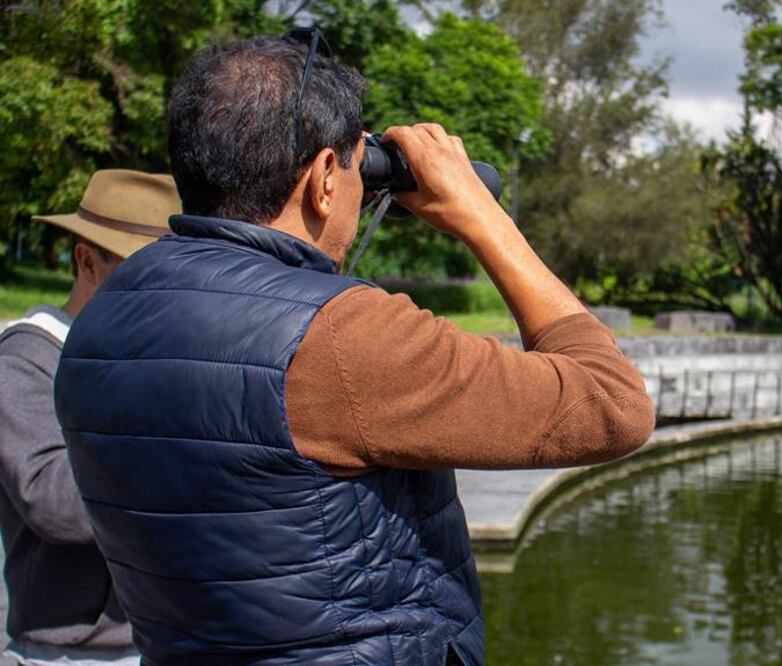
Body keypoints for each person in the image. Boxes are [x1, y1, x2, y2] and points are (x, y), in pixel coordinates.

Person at [53, 34, 655, 666]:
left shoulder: (107, 315)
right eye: (352, 168)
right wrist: (484, 216)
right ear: (321, 181)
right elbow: (612, 405)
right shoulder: (339, 336)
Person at [0, 170, 180, 666]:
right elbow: (53, 500)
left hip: (161, 641)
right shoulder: (25, 358)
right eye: (140, 272)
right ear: (87, 262)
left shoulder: (159, 359)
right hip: (65, 655)